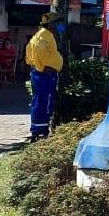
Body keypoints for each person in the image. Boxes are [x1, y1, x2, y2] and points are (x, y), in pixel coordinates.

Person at [25, 13, 65, 141]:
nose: (59, 25)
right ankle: (39, 130)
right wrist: (42, 68)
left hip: (43, 73)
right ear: (51, 24)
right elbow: (37, 52)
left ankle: (40, 128)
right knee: (43, 101)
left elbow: (30, 51)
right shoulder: (44, 36)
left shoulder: (42, 34)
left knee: (42, 101)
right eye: (57, 22)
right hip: (44, 74)